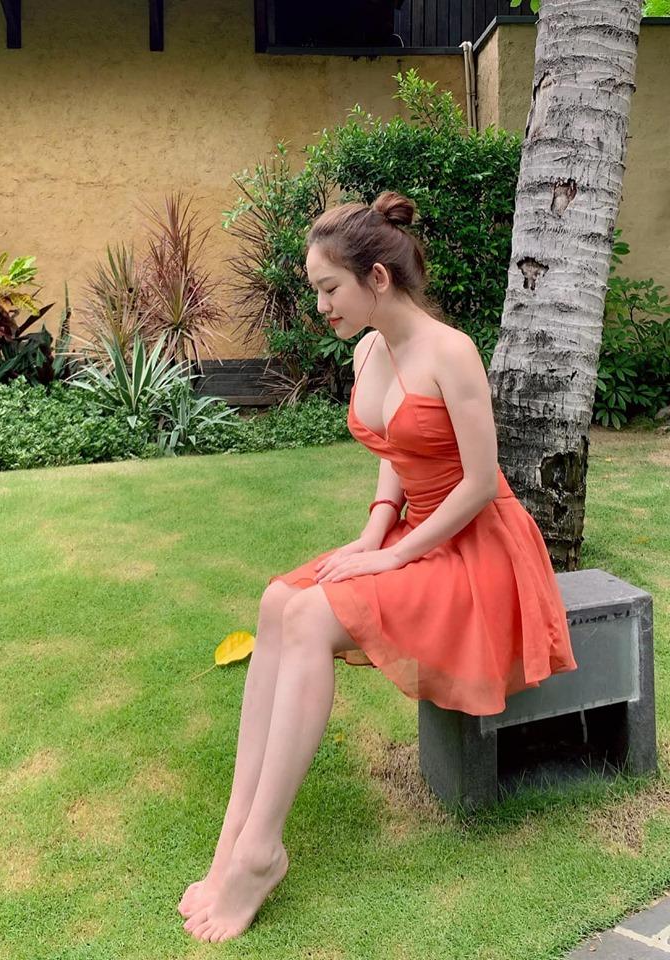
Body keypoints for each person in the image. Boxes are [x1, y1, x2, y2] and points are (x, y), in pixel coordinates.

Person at [178, 190, 578, 943]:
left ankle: (261, 852)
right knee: (276, 601)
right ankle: (235, 837)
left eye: (329, 288)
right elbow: (396, 452)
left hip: (477, 545)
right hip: (410, 532)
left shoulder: (450, 352)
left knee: (312, 616)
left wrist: (393, 555)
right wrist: (372, 534)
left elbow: (479, 483)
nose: (320, 305)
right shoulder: (369, 349)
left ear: (378, 279)